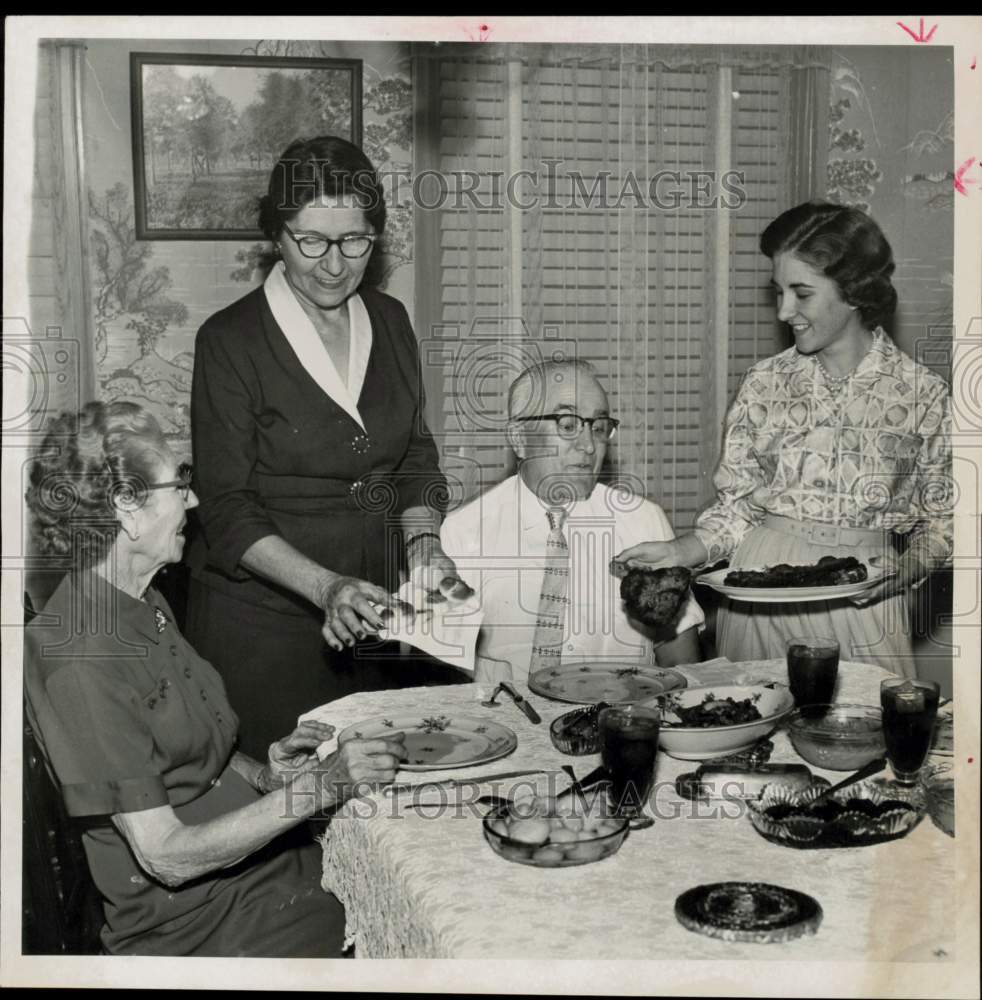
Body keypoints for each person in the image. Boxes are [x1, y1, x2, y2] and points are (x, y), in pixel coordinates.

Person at [24, 402, 406, 957]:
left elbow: (184, 759)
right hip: (197, 922)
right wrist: (320, 787)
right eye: (179, 484)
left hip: (255, 873)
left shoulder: (140, 600)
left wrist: (267, 774)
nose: (194, 499)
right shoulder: (81, 660)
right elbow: (165, 857)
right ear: (126, 506)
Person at [186, 136, 468, 759]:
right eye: (311, 241)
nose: (334, 265)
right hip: (267, 635)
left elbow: (415, 460)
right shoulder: (229, 341)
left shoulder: (391, 321)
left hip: (379, 625)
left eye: (355, 241)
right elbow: (226, 510)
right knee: (287, 819)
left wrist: (424, 548)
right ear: (275, 235)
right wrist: (326, 588)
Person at [616, 201, 953, 674]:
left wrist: (909, 568)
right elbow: (737, 511)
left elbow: (943, 523)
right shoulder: (764, 383)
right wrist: (680, 551)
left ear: (855, 292)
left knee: (866, 735)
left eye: (801, 293)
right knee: (749, 729)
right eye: (779, 292)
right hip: (758, 593)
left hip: (862, 599)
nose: (783, 310)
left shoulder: (923, 394)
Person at [439, 359, 703, 683]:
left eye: (599, 427)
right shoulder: (463, 532)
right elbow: (445, 677)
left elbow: (681, 663)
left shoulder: (644, 522)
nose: (589, 445)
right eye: (567, 424)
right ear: (519, 437)